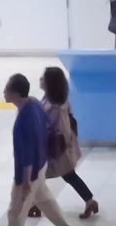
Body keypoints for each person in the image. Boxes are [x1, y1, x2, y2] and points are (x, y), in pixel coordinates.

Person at [0, 73, 77, 226]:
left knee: (16, 211)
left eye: (7, 89)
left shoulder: (23, 120)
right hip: (42, 163)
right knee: (44, 199)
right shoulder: (35, 104)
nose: (4, 92)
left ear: (15, 93)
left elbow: (26, 153)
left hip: (28, 172)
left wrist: (26, 181)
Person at [40, 64, 97, 216]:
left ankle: (35, 204)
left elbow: (61, 130)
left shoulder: (55, 107)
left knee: (38, 177)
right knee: (68, 175)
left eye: (43, 78)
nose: (40, 80)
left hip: (56, 150)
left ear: (49, 83)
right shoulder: (54, 100)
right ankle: (89, 201)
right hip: (58, 150)